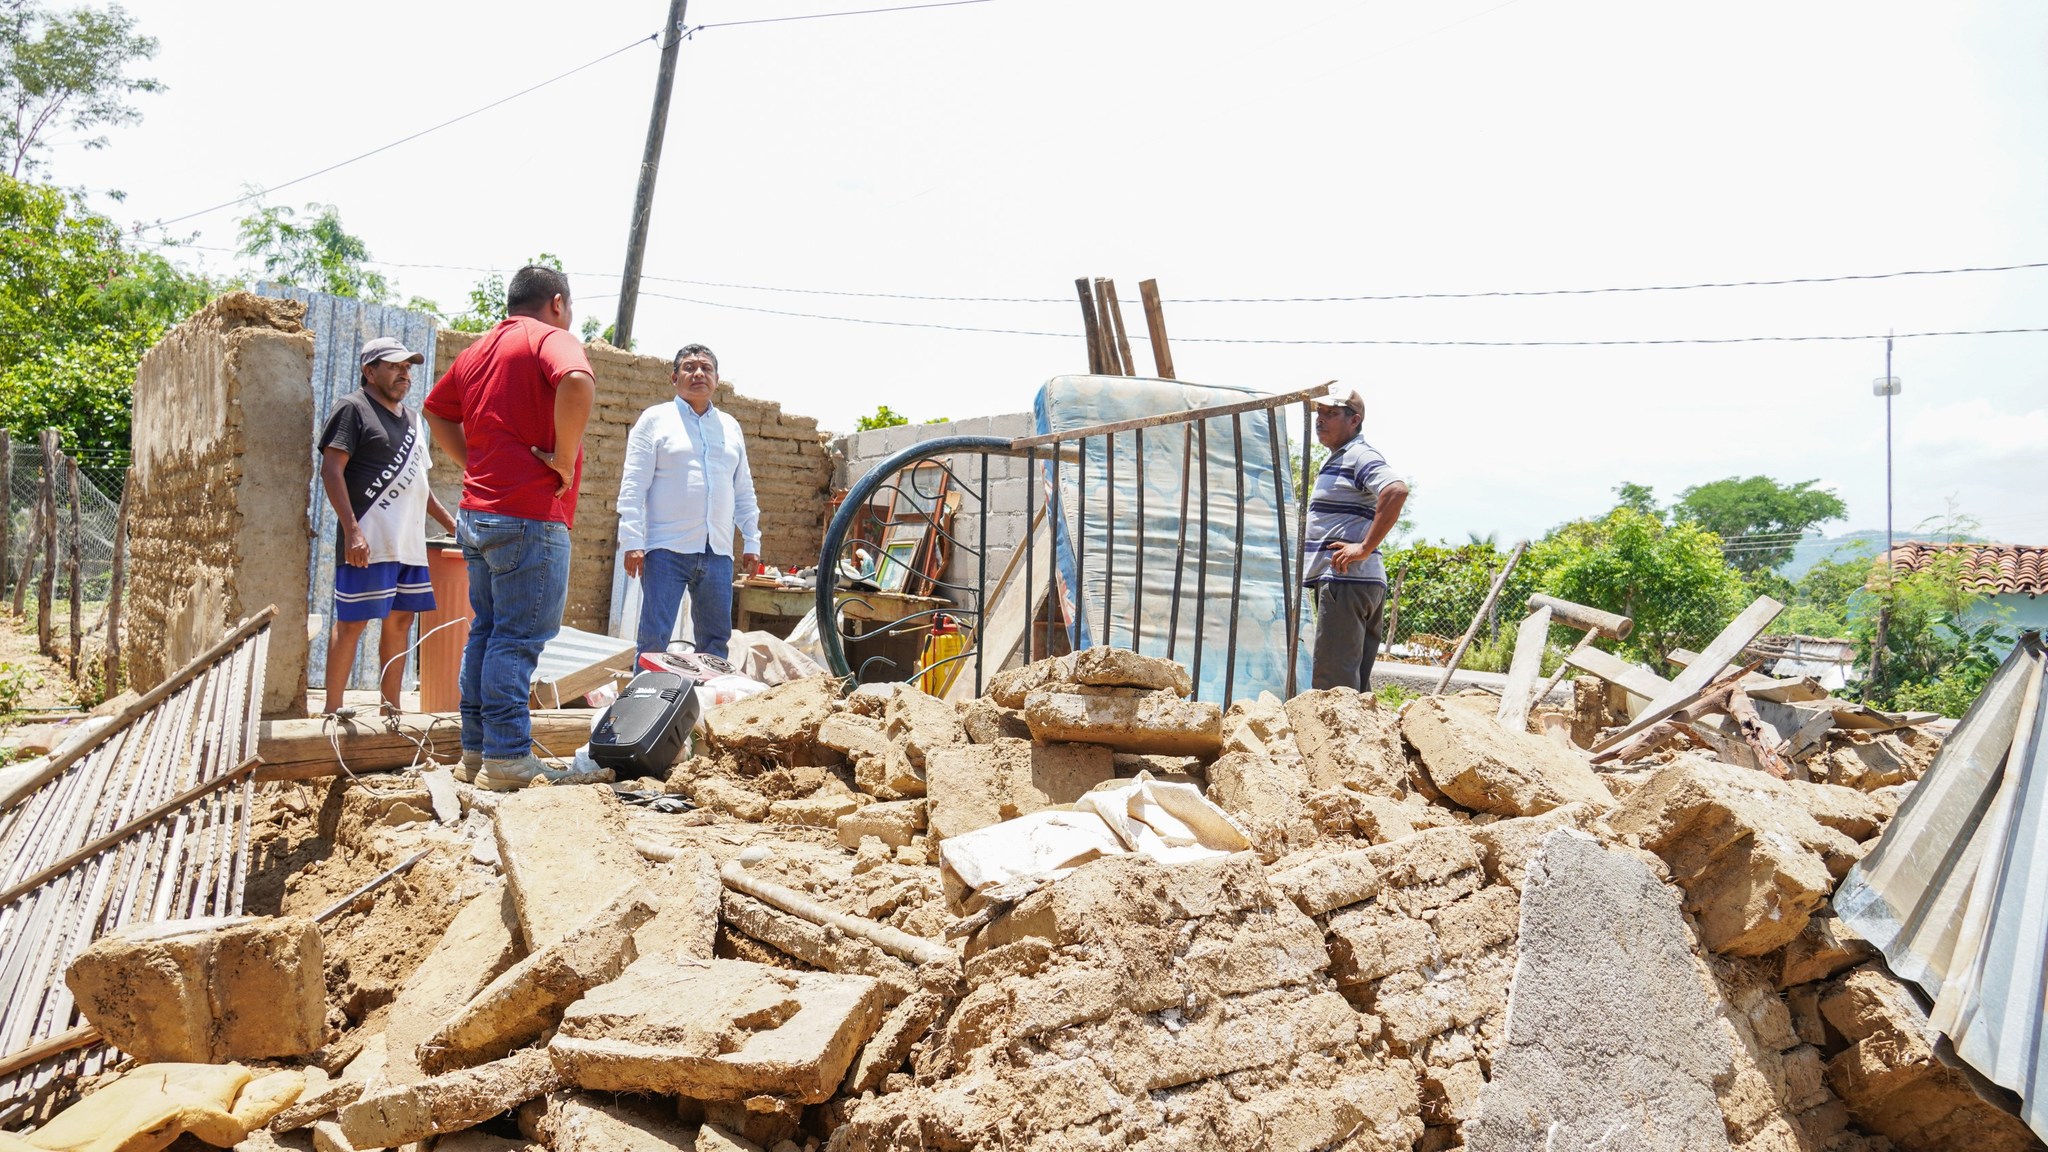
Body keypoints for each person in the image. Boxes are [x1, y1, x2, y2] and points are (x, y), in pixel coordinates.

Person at [423, 265, 595, 791]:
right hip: (529, 516)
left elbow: (434, 409)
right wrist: (564, 460)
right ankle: (507, 758)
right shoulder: (550, 338)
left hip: (477, 515)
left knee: (488, 633)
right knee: (516, 641)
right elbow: (576, 380)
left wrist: (473, 463)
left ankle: (475, 754)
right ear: (558, 303)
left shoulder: (477, 350)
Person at [316, 337, 457, 717]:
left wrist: (450, 524)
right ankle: (332, 709)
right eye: (394, 366)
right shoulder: (352, 409)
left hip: (408, 544)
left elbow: (420, 487)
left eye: (408, 367)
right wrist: (353, 531)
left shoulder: (413, 421)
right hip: (369, 538)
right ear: (369, 371)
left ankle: (390, 709)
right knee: (353, 622)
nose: (403, 374)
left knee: (401, 621)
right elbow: (332, 470)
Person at [616, 343, 761, 660]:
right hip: (666, 549)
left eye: (706, 368)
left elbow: (743, 489)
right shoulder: (655, 420)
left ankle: (709, 708)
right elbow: (633, 484)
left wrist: (751, 540)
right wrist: (632, 540)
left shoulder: (730, 426)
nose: (698, 373)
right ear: (674, 377)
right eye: (689, 367)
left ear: (717, 379)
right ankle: (649, 708)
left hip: (718, 552)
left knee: (715, 644)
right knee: (654, 641)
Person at [1302, 386, 1409, 692]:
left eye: (1331, 413)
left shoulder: (1358, 455)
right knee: (1353, 690)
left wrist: (1363, 547)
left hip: (1345, 581)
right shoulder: (1340, 458)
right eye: (1319, 413)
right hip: (1357, 582)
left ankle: (1334, 741)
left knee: (1333, 689)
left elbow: (1395, 490)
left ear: (1354, 420)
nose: (1321, 420)